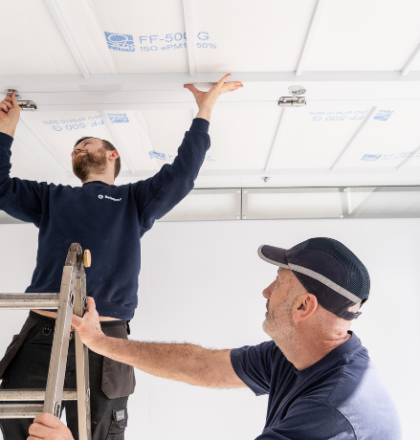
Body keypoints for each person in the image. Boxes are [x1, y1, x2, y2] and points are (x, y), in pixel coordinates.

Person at [0, 74, 243, 440]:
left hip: (107, 338)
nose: (78, 147)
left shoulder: (133, 200)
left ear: (113, 155)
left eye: (88, 143)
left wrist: (204, 109)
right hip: (44, 331)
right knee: (19, 425)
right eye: (75, 148)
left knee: (101, 433)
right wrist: (6, 132)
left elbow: (182, 175)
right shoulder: (51, 198)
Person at [28, 237, 402, 440]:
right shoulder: (297, 357)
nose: (266, 292)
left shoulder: (331, 413)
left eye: (279, 284)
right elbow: (200, 365)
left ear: (305, 305)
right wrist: (100, 341)